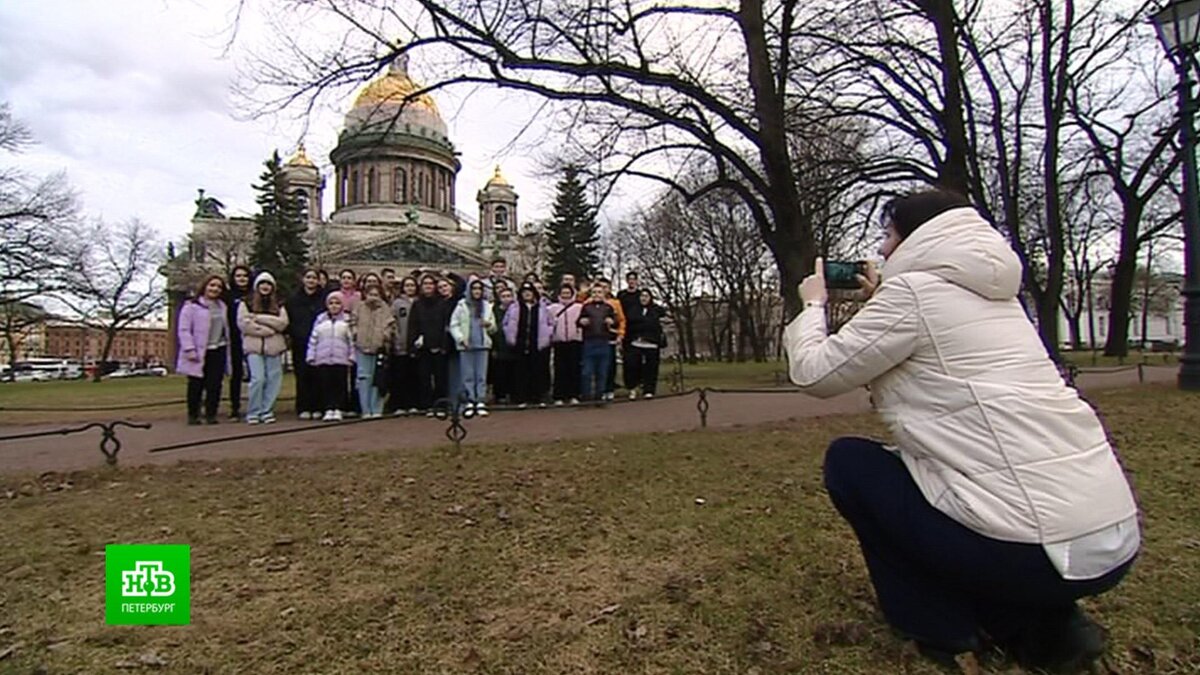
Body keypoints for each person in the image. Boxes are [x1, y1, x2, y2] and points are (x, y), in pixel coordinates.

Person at [784, 189, 1140, 671]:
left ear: (918, 237)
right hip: (1110, 540)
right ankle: (1046, 623)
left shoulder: (912, 295)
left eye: (889, 236)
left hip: (1034, 549)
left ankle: (940, 625)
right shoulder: (1000, 298)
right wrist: (881, 302)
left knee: (852, 464)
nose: (883, 250)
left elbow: (816, 373)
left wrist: (812, 307)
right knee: (930, 475)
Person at [237, 271, 290, 424]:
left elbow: (282, 323)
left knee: (273, 379)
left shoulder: (279, 304)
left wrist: (259, 318)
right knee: (258, 379)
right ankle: (254, 410)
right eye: (262, 284)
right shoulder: (246, 303)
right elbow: (244, 324)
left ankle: (267, 410)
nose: (265, 287)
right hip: (254, 347)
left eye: (268, 284)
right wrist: (266, 330)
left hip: (274, 347)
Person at [177, 275, 230, 425]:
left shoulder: (222, 306)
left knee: (215, 384)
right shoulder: (191, 307)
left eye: (219, 287)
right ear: (205, 286)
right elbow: (184, 329)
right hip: (199, 351)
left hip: (218, 348)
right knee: (196, 384)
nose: (215, 289)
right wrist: (189, 349)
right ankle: (193, 415)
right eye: (212, 285)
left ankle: (211, 414)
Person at [504, 283, 554, 408]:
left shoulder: (542, 308)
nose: (527, 294)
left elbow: (551, 323)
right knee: (520, 371)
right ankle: (521, 398)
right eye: (524, 292)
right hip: (520, 343)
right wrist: (510, 336)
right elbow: (505, 323)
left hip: (537, 343)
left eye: (529, 292)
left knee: (537, 370)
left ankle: (537, 397)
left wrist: (547, 335)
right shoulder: (514, 308)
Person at [450, 279, 496, 417]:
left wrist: (488, 325)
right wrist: (460, 338)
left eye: (479, 289)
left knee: (481, 375)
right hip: (466, 345)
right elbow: (454, 324)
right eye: (474, 289)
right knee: (467, 375)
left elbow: (494, 328)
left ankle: (480, 400)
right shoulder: (461, 305)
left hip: (482, 344)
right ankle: (469, 400)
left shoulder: (487, 306)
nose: (477, 291)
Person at [408, 274, 452, 415]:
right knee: (424, 379)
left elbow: (446, 325)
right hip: (423, 347)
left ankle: (441, 406)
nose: (428, 286)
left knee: (441, 379)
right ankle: (427, 406)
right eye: (425, 284)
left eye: (431, 283)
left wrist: (444, 345)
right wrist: (412, 346)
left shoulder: (442, 303)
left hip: (439, 346)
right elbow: (413, 326)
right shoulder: (417, 304)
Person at [307, 291, 354, 422]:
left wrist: (351, 356)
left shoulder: (347, 320)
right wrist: (311, 355)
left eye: (337, 303)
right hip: (323, 358)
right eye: (331, 303)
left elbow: (351, 341)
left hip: (341, 359)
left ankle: (338, 408)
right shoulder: (320, 320)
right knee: (325, 384)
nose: (334, 306)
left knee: (339, 384)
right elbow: (313, 339)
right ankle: (328, 408)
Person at [285, 268, 326, 420]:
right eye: (308, 277)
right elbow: (289, 320)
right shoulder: (294, 299)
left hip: (320, 342)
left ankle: (318, 407)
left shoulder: (324, 298)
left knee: (318, 375)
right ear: (303, 279)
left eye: (314, 278)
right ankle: (303, 406)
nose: (311, 281)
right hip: (300, 342)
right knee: (302, 375)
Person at [351, 284, 395, 419]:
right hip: (361, 348)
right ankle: (365, 409)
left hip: (379, 349)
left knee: (378, 380)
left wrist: (385, 336)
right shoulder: (359, 307)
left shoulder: (386, 309)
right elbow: (352, 322)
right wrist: (355, 333)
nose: (373, 298)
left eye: (376, 295)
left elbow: (391, 326)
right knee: (364, 379)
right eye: (371, 294)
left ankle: (376, 409)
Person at [577, 282, 618, 403]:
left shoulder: (608, 308)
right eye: (594, 292)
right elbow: (578, 321)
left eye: (599, 292)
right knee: (587, 372)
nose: (597, 295)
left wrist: (611, 321)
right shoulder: (586, 307)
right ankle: (586, 396)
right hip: (589, 342)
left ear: (604, 294)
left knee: (602, 371)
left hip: (604, 342)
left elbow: (616, 322)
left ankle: (599, 396)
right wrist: (582, 321)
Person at [625, 289, 666, 399]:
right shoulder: (633, 310)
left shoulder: (655, 310)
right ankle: (632, 387)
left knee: (651, 367)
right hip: (636, 342)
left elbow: (660, 319)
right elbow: (630, 322)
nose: (644, 298)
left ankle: (649, 390)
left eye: (646, 296)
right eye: (642, 296)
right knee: (632, 365)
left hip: (651, 343)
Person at [388, 276, 419, 415]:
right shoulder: (397, 303)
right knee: (400, 376)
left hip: (416, 346)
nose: (410, 288)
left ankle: (413, 403)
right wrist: (396, 339)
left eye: (412, 285)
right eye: (407, 286)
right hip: (400, 345)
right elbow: (392, 322)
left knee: (414, 376)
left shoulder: (419, 302)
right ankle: (399, 405)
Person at [225, 264, 252, 420]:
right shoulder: (228, 296)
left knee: (254, 375)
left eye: (245, 276)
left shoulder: (253, 295)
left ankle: (254, 406)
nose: (242, 279)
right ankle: (235, 408)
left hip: (251, 338)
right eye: (238, 276)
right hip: (234, 338)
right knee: (236, 374)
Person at [548, 284, 583, 405]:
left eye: (568, 293)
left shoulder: (579, 307)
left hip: (575, 341)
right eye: (563, 293)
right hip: (559, 341)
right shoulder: (552, 308)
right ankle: (559, 395)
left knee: (574, 368)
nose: (566, 295)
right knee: (560, 369)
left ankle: (574, 394)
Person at [593, 278, 626, 400]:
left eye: (605, 287)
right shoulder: (590, 302)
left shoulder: (615, 303)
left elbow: (622, 320)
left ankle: (609, 388)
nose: (603, 289)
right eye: (600, 287)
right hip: (595, 338)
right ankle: (599, 390)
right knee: (597, 365)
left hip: (610, 337)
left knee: (610, 364)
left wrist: (620, 334)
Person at [489, 287, 517, 405]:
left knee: (513, 371)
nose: (506, 299)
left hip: (513, 346)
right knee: (499, 372)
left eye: (509, 296)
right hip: (499, 345)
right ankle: (500, 395)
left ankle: (512, 394)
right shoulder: (494, 311)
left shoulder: (516, 310)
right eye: (504, 296)